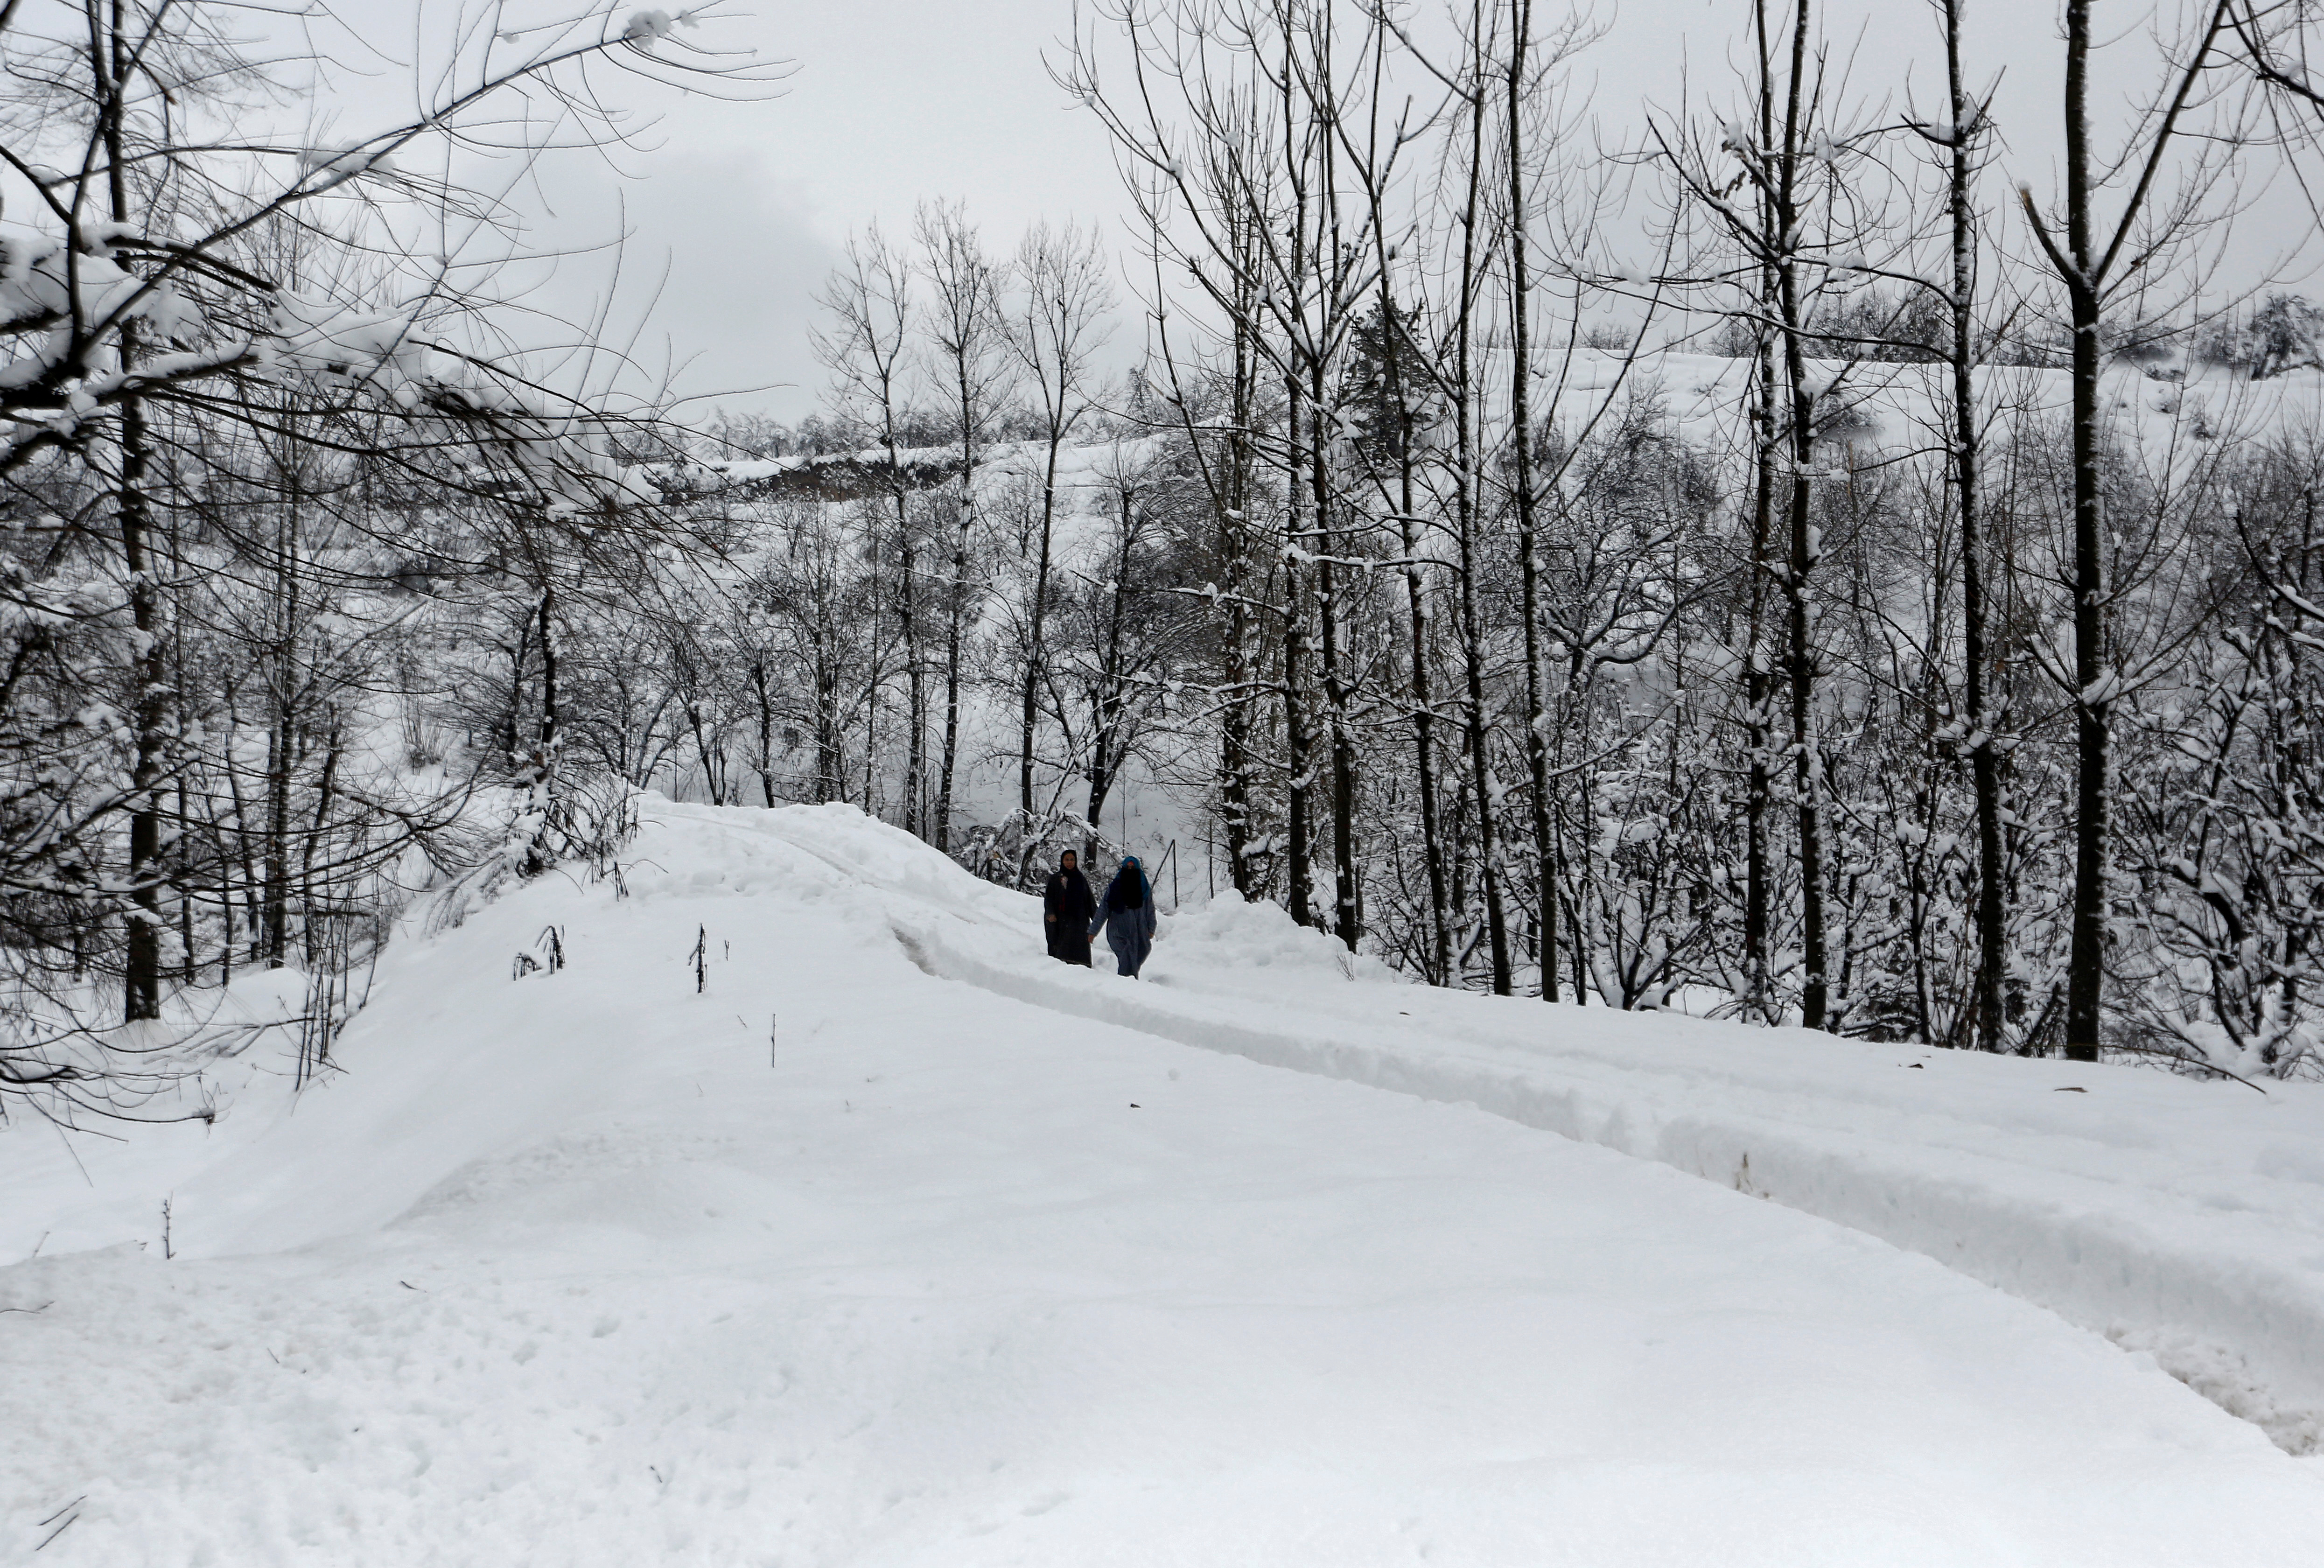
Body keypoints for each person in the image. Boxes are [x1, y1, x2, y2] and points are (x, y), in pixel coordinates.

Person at [1090, 854, 1159, 978]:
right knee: (1127, 954)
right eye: (1128, 868)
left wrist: (1151, 927)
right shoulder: (1115, 887)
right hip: (1118, 930)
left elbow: (1150, 909)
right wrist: (1093, 932)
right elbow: (1103, 909)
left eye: (1133, 868)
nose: (1130, 871)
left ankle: (1128, 982)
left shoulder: (1144, 888)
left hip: (1139, 930)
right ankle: (1127, 983)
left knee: (1142, 952)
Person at [1043, 849, 1096, 966]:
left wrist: (1097, 918)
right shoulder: (1055, 879)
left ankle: (1083, 969)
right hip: (1062, 920)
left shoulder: (1081, 879)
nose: (1070, 862)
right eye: (1067, 860)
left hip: (1080, 921)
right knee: (1062, 947)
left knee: (1080, 947)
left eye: (1072, 860)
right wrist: (1051, 913)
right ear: (1062, 861)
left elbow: (1089, 899)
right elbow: (1049, 899)